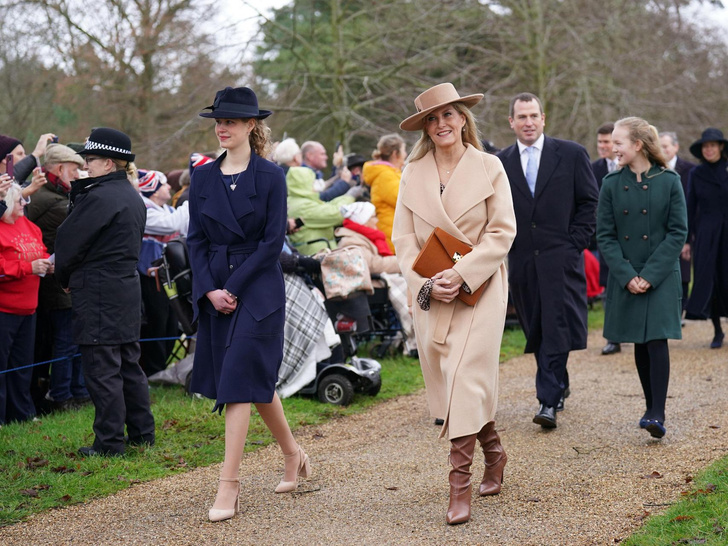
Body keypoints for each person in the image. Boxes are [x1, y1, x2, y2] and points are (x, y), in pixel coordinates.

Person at [393, 83, 516, 525]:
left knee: (466, 376)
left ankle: (458, 485)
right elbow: (403, 240)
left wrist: (462, 274)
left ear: (463, 118)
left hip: (480, 288)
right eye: (433, 118)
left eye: (449, 114)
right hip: (432, 293)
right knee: (454, 383)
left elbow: (502, 232)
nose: (442, 123)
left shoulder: (489, 167)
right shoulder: (412, 172)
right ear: (425, 127)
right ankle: (494, 451)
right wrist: (426, 283)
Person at [187, 86, 312, 523]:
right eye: (218, 121)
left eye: (232, 121)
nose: (223, 128)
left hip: (258, 286)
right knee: (254, 380)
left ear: (251, 126)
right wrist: (208, 290)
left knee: (240, 377)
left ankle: (229, 484)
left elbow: (271, 242)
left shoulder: (271, 176)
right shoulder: (201, 177)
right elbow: (195, 240)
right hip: (215, 286)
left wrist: (232, 286)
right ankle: (293, 454)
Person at [497, 92, 599, 429]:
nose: (528, 122)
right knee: (536, 327)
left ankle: (547, 401)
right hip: (522, 261)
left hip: (561, 258)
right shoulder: (500, 162)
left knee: (556, 325)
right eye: (521, 117)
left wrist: (576, 243)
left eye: (533, 116)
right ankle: (559, 381)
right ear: (511, 121)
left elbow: (589, 202)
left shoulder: (571, 154)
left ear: (544, 119)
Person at [55, 127, 155, 456]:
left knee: (102, 369)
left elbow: (68, 244)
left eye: (92, 159)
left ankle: (110, 443)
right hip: (125, 288)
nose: (87, 166)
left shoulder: (98, 197)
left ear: (109, 163)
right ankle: (142, 434)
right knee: (129, 365)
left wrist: (65, 275)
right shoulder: (131, 196)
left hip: (98, 290)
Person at [597, 117, 687, 438]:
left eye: (618, 142)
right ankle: (650, 407)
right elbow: (605, 236)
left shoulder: (670, 181)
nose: (613, 147)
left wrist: (649, 275)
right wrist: (626, 275)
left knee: (656, 338)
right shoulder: (610, 184)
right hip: (626, 275)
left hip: (660, 275)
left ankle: (658, 413)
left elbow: (678, 233)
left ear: (637, 145)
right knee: (639, 338)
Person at [25, 144, 89, 409]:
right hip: (55, 283)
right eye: (74, 169)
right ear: (60, 168)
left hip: (62, 279)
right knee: (66, 342)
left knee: (73, 342)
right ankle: (62, 394)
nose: (77, 175)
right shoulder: (49, 200)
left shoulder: (58, 197)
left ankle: (76, 390)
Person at [336, 201, 418, 356]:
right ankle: (412, 339)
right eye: (373, 217)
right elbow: (373, 265)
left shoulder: (360, 236)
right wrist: (403, 262)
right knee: (407, 283)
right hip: (370, 284)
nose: (376, 220)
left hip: (376, 279)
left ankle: (412, 337)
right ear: (363, 220)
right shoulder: (351, 240)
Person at [0, 183, 52, 425]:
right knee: (2, 366)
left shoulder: (29, 226)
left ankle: (22, 414)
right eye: (19, 200)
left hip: (29, 308)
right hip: (4, 309)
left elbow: (40, 250)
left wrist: (46, 264)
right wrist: (27, 268)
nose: (24, 204)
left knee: (22, 366)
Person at [137, 169, 189, 376]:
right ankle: (152, 370)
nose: (169, 187)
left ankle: (159, 368)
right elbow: (173, 225)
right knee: (156, 325)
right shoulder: (146, 210)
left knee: (171, 325)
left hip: (166, 277)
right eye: (164, 184)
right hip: (148, 279)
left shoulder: (165, 208)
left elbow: (184, 227)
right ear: (153, 190)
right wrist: (193, 200)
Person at [684, 128, 728, 348]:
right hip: (706, 234)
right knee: (709, 280)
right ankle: (717, 330)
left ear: (720, 146)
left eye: (712, 145)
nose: (708, 149)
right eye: (705, 146)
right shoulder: (696, 173)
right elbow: (690, 207)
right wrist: (686, 240)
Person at [591, 122, 621, 356]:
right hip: (603, 236)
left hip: (629, 235)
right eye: (599, 142)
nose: (602, 146)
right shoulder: (593, 169)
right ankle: (613, 337)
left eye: (606, 142)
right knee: (609, 287)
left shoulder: (629, 166)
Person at [659, 131, 696, 312]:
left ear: (676, 147)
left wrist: (688, 238)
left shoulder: (689, 169)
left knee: (683, 269)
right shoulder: (654, 169)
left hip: (683, 226)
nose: (663, 150)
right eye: (660, 147)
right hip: (661, 227)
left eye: (665, 146)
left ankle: (682, 307)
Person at [286, 165, 354, 254]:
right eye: (312, 182)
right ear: (304, 184)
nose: (315, 184)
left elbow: (328, 206)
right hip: (317, 255)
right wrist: (350, 196)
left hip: (318, 252)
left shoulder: (298, 200)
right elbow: (336, 214)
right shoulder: (303, 206)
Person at [362, 133, 407, 253]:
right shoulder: (386, 176)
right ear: (394, 154)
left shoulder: (390, 173)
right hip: (393, 235)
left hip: (395, 231)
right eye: (403, 151)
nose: (405, 155)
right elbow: (406, 201)